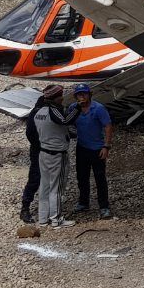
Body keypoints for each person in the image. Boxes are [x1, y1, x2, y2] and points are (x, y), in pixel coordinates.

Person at [34, 89, 81, 227]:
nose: (62, 98)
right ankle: (56, 219)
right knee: (57, 188)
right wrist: (78, 107)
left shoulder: (39, 112)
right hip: (56, 155)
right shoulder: (53, 111)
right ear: (55, 98)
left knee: (45, 187)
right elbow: (65, 121)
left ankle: (43, 219)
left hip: (43, 152)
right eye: (60, 96)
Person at [20, 85, 64, 223]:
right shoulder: (42, 110)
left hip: (46, 149)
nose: (62, 98)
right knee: (37, 178)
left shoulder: (48, 108)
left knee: (47, 180)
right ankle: (26, 207)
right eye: (60, 96)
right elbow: (31, 133)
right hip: (41, 150)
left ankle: (47, 211)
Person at [72, 83, 114, 219]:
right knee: (82, 177)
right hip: (81, 147)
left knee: (100, 178)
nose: (82, 97)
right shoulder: (74, 108)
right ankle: (83, 202)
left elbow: (108, 126)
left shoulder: (98, 108)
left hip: (97, 149)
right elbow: (67, 122)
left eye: (84, 94)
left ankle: (104, 206)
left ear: (89, 95)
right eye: (79, 94)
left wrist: (106, 146)